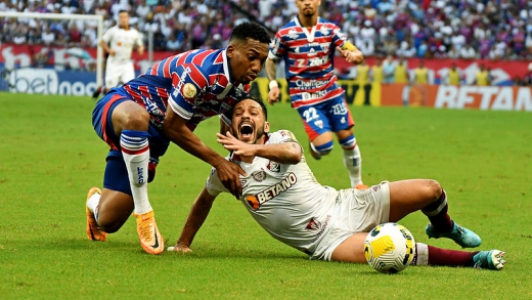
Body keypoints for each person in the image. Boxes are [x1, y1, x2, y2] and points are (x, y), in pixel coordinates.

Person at [169, 96, 506, 271]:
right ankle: (473, 260)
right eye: (239, 112)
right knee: (393, 252)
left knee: (431, 189)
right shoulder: (225, 175)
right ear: (228, 128)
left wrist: (254, 148)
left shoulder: (280, 139)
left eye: (254, 111)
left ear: (264, 123)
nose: (246, 115)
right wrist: (184, 242)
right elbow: (202, 202)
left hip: (348, 203)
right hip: (326, 241)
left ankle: (444, 225)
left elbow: (294, 152)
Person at [85, 22, 271, 255]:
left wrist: (238, 161)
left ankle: (94, 204)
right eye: (252, 57)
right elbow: (173, 126)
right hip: (120, 109)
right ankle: (144, 213)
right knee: (137, 118)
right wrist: (219, 162)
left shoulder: (240, 86)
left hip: (151, 143)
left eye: (262, 61)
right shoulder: (200, 71)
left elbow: (228, 131)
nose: (257, 66)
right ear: (232, 51)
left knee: (109, 221)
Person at [265, 0, 367, 189]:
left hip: (331, 92)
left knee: (347, 137)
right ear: (297, 4)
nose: (307, 3)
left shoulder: (330, 29)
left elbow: (354, 51)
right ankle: (315, 147)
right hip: (304, 96)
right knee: (325, 147)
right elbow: (271, 60)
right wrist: (273, 85)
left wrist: (355, 56)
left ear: (318, 2)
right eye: (302, 0)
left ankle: (357, 183)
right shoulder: (285, 33)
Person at [92, 10, 145, 99]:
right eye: (121, 17)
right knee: (110, 90)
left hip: (127, 63)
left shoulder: (134, 33)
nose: (123, 19)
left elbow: (140, 46)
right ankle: (102, 89)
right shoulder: (113, 31)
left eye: (125, 17)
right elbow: (101, 42)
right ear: (118, 19)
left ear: (128, 19)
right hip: (114, 62)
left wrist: (141, 49)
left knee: (130, 89)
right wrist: (109, 50)